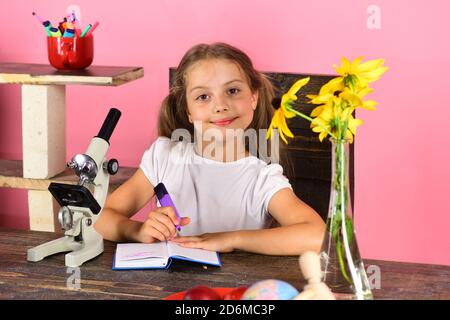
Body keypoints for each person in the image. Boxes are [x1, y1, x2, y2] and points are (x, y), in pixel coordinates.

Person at [95, 42, 325, 255]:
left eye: (232, 91)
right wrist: (137, 231)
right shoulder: (164, 156)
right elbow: (100, 217)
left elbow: (317, 234)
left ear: (253, 97)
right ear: (188, 110)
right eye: (203, 96)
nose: (221, 106)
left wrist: (229, 239)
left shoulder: (262, 178)